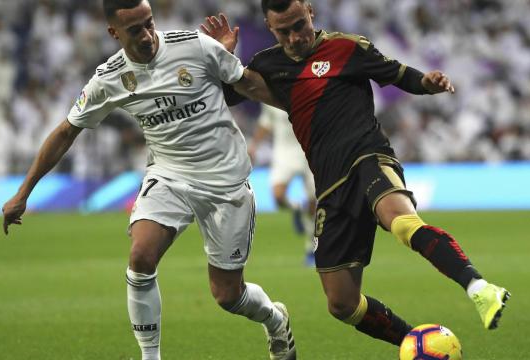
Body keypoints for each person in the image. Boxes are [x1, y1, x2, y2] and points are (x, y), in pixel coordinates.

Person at [201, 0, 511, 350]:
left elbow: (398, 73)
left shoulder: (347, 47)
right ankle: (417, 343)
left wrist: (426, 82)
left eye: (299, 25)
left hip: (368, 156)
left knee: (402, 222)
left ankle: (479, 288)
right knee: (342, 304)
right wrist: (222, 56)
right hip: (330, 185)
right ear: (270, 28)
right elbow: (225, 95)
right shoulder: (268, 65)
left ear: (310, 13)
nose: (294, 37)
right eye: (283, 31)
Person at [1, 1, 296, 359]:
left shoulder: (194, 46)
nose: (147, 35)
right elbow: (66, 131)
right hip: (168, 176)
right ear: (114, 33)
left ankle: (274, 319)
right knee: (140, 257)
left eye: (148, 23)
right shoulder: (109, 78)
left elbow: (250, 85)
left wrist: (308, 114)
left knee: (227, 296)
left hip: (225, 181)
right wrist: (23, 192)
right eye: (134, 30)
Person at [248, 104, 317, 266]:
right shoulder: (271, 94)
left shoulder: (307, 92)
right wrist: (254, 145)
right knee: (278, 196)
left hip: (309, 150)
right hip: (284, 152)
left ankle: (311, 249)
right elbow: (266, 123)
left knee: (313, 203)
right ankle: (297, 209)